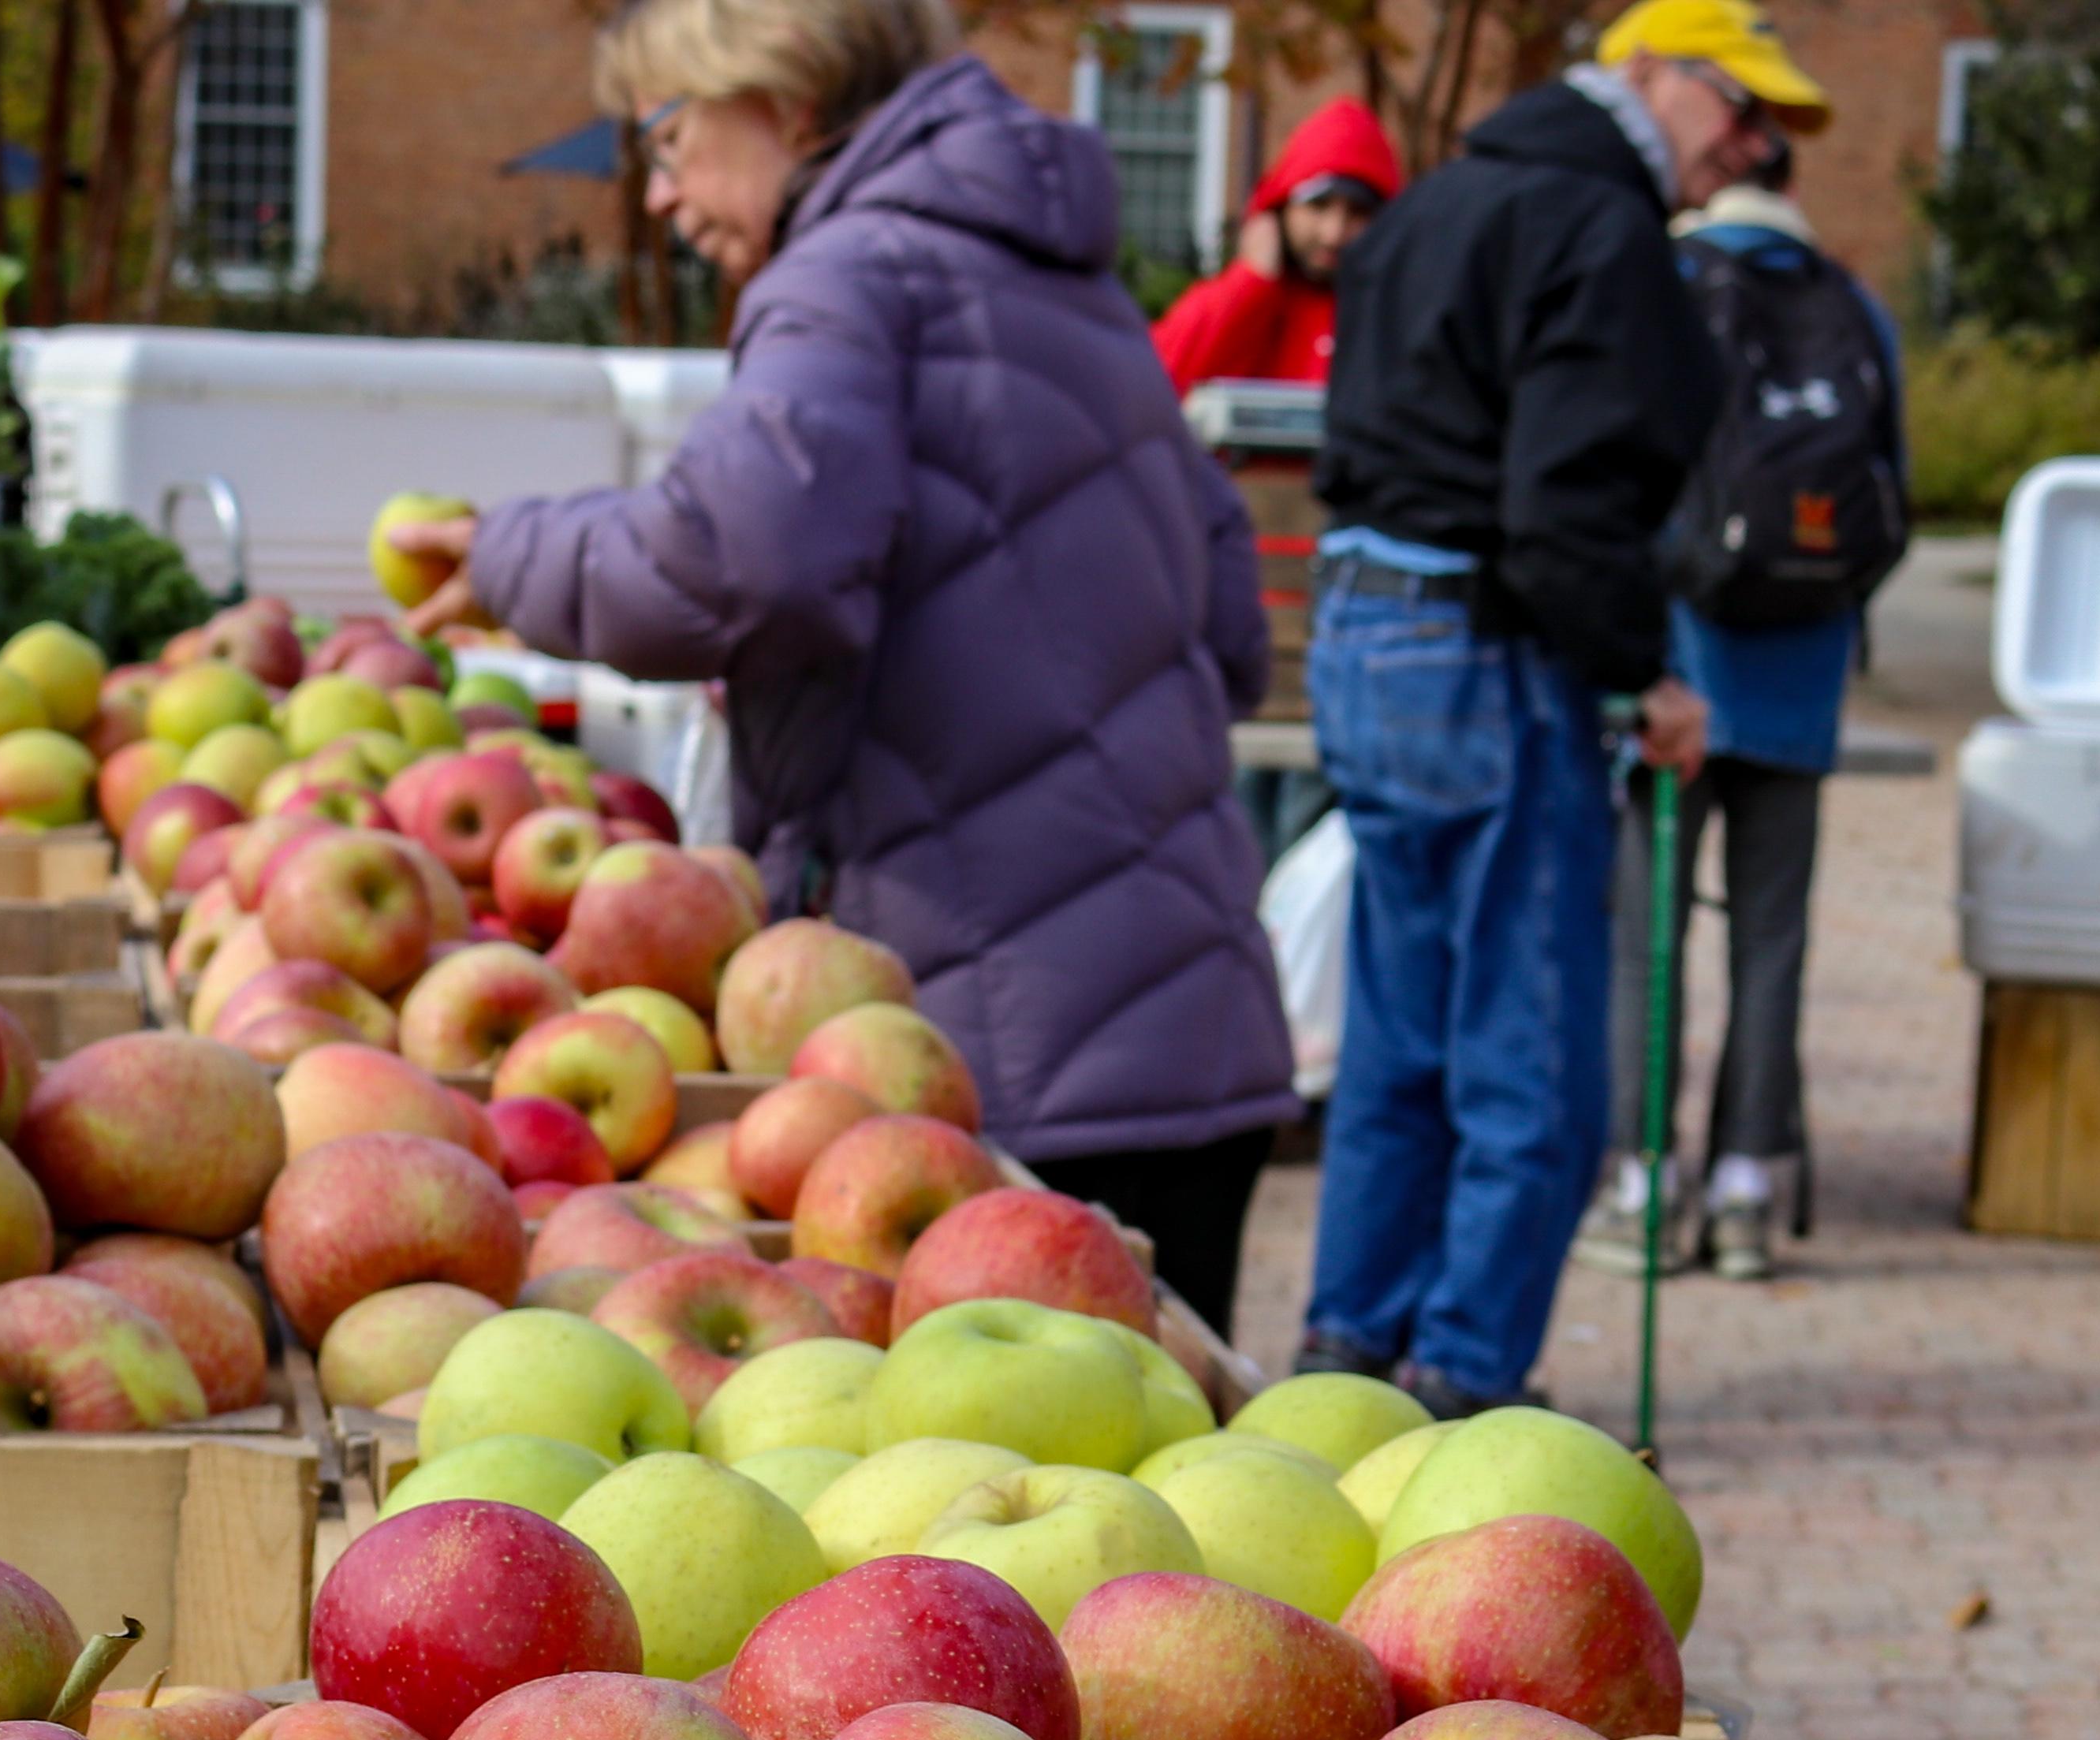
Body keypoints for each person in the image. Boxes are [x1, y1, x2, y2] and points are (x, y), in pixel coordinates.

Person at [389, 0, 1296, 1331]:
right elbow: (1225, 629)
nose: (659, 193)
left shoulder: (844, 276)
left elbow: (748, 556)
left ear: (787, 99)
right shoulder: (1079, 294)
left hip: (984, 1074)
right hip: (1195, 1028)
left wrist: (516, 556)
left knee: (975, 1519)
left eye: (670, 135)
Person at [1290, 0, 1795, 1412]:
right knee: (1535, 1065)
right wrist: (1645, 674)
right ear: (1655, 76)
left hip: (1367, 631)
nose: (1753, 149)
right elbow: (1564, 509)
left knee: (1403, 1027)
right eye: (1741, 108)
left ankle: (1347, 1354)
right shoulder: (1600, 230)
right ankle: (1460, 1382)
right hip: (1486, 650)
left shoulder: (1446, 196)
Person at [1604, 158, 1898, 1282]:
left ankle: (1641, 1184)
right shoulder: (1852, 304)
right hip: (1803, 676)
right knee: (1773, 945)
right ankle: (1744, 1191)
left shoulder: (1668, 283)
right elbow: (1889, 492)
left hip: (1678, 666)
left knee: (1648, 943)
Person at [1151, 99, 1402, 394]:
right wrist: (1248, 285)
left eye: (1358, 212)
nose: (1333, 234)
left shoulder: (1400, 312)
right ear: (1280, 210)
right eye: (1318, 206)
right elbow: (1155, 384)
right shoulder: (1242, 299)